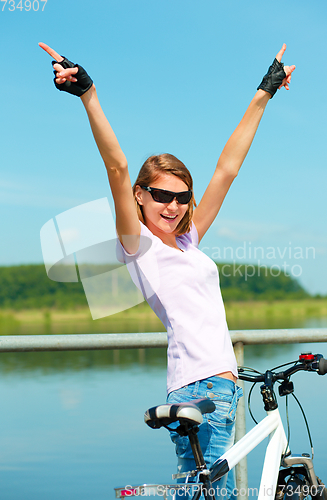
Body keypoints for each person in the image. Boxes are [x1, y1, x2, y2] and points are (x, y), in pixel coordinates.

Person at [39, 42, 295, 499]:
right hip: (201, 389)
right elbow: (117, 167)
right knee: (214, 495)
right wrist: (88, 94)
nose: (173, 206)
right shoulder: (137, 246)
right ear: (140, 195)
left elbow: (226, 170)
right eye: (161, 195)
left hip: (219, 385)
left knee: (201, 492)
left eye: (180, 197)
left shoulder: (187, 240)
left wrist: (264, 94)